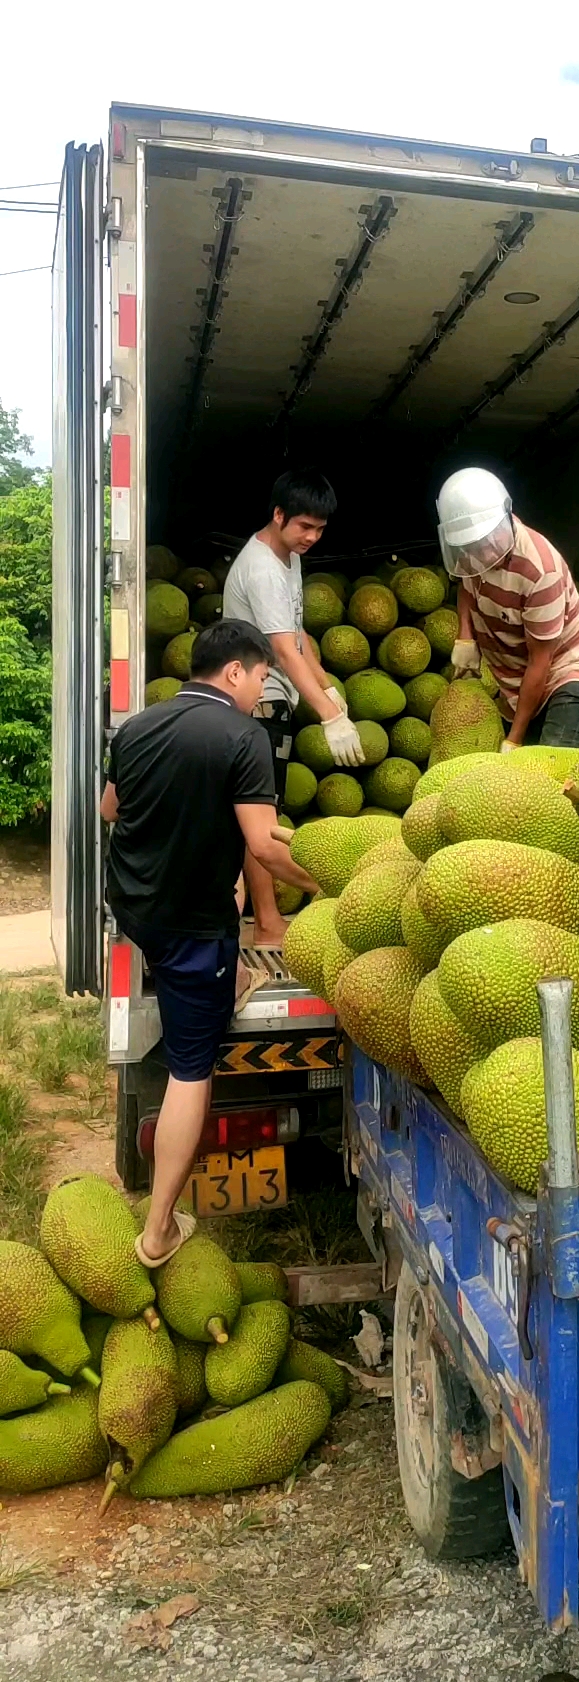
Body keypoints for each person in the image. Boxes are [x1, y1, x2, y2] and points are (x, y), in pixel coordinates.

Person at [100, 619, 319, 1269]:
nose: (259, 692)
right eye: (259, 678)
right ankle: (158, 1230)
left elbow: (112, 810)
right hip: (194, 931)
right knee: (190, 1070)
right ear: (234, 672)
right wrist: (327, 878)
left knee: (195, 998)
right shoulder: (242, 735)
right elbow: (262, 846)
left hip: (137, 910)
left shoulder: (136, 727)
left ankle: (225, 981)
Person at [223, 467, 363, 945]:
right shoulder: (262, 567)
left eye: (320, 529)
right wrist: (328, 716)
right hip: (256, 704)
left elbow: (298, 633)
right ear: (278, 515)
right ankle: (267, 922)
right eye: (304, 526)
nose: (312, 537)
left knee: (259, 815)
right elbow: (282, 649)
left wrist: (327, 691)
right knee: (260, 822)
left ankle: (262, 918)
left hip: (273, 700)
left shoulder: (287, 558)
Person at [436, 467, 579, 749]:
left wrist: (514, 739)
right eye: (470, 548)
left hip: (569, 674)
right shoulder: (472, 553)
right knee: (505, 779)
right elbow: (467, 583)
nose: (480, 555)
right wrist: (465, 636)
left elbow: (540, 663)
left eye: (484, 544)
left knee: (546, 772)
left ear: (505, 519)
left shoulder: (540, 573)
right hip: (516, 683)